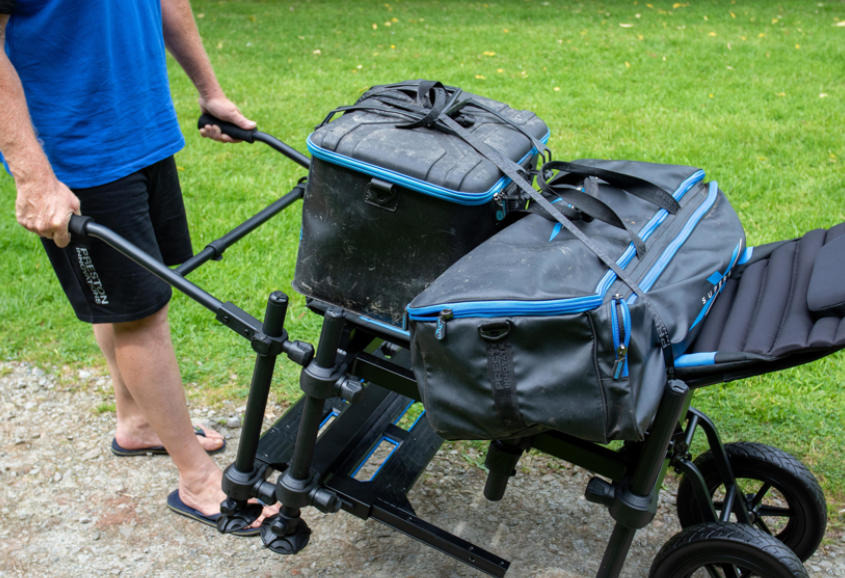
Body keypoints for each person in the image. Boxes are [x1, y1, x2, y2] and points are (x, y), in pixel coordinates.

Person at [0, 0, 273, 533]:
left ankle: (138, 421)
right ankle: (198, 481)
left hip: (141, 126)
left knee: (127, 302)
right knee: (143, 313)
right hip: (80, 150)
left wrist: (210, 90)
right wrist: (32, 176)